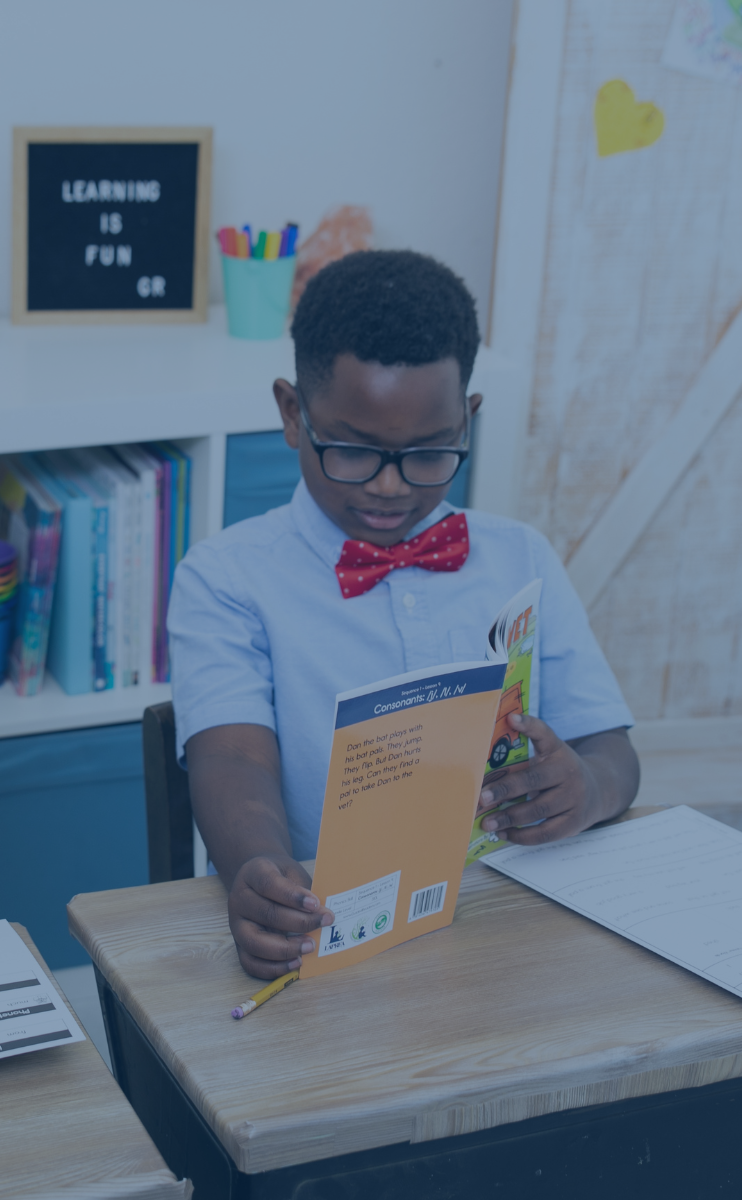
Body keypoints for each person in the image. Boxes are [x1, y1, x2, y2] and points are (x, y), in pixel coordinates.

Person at [167, 250, 640, 979]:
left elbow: (614, 752)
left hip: (515, 929)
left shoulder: (523, 558)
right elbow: (231, 757)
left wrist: (589, 787)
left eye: (428, 454)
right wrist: (259, 868)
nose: (390, 487)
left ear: (467, 422)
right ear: (293, 415)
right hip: (329, 933)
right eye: (354, 452)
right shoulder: (226, 578)